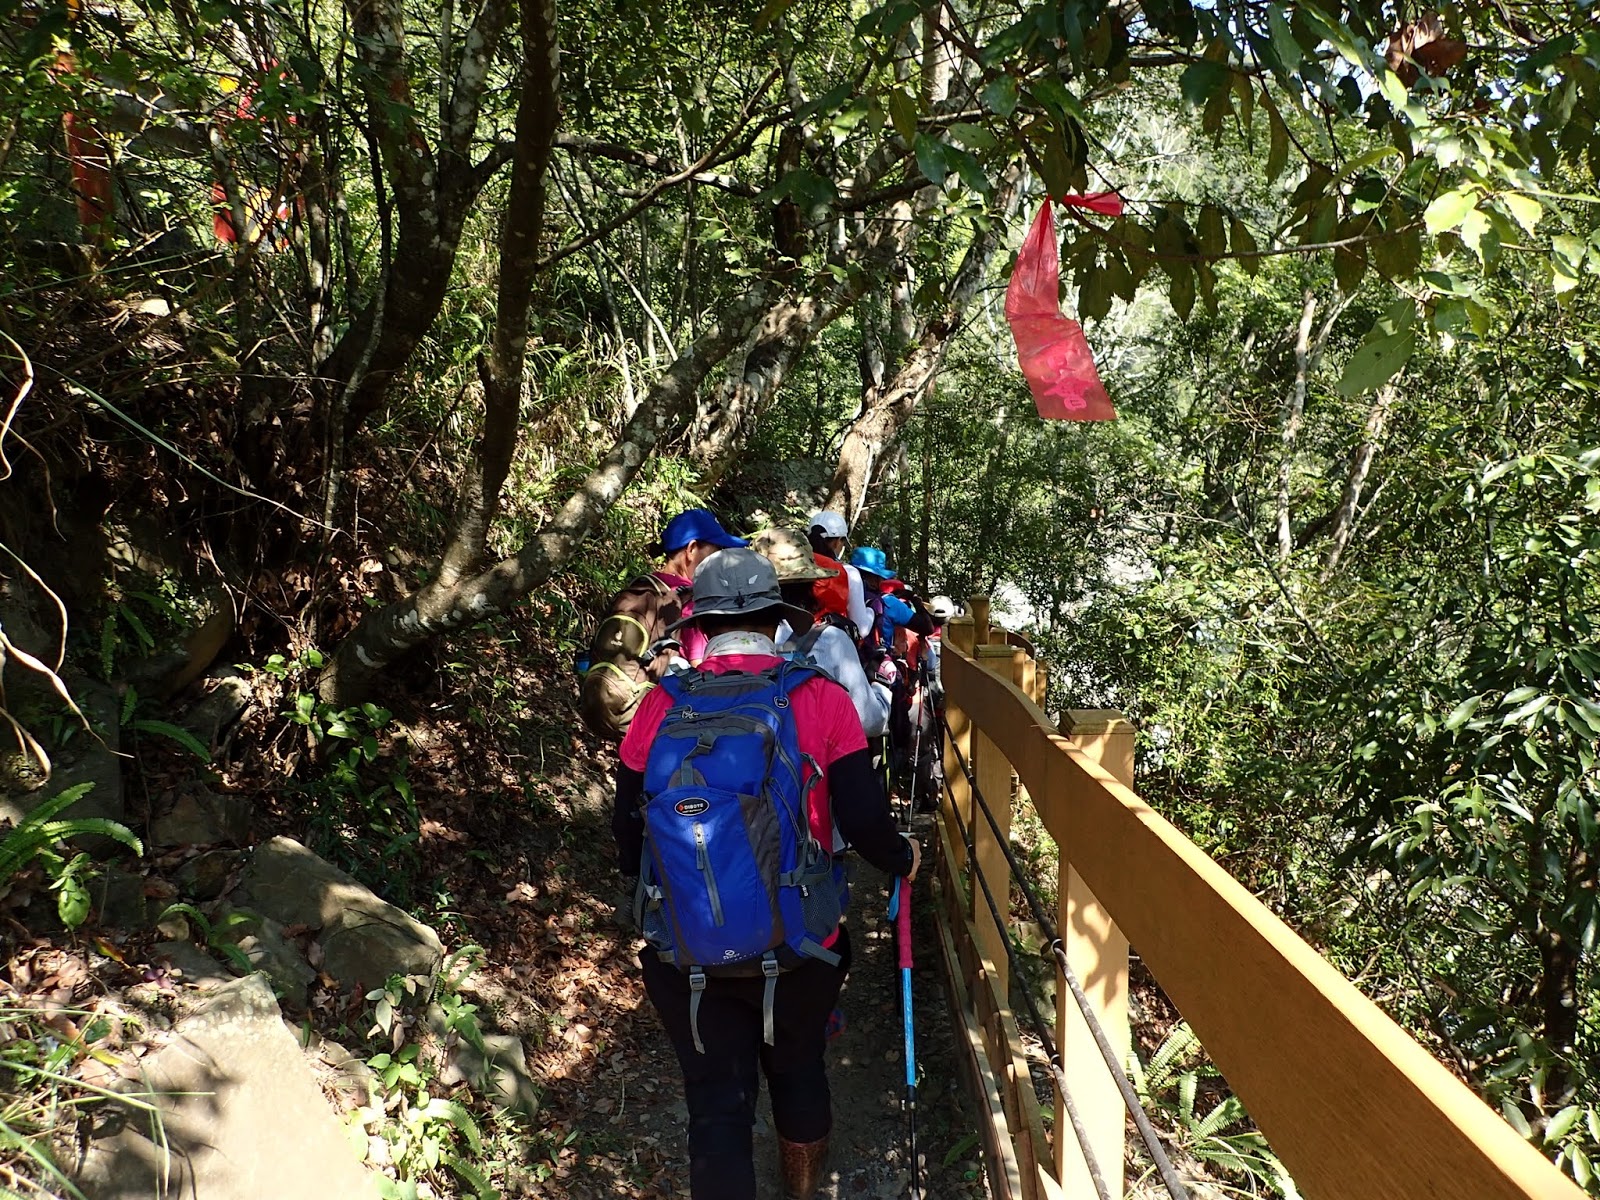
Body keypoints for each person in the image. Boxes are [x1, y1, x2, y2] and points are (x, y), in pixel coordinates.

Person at [613, 548, 920, 1200]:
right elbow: (864, 821)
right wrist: (904, 858)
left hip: (688, 942)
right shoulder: (819, 698)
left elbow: (627, 827)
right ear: (775, 616)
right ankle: (800, 1187)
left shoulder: (659, 704)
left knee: (715, 1106)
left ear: (701, 623)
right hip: (799, 941)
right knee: (798, 1068)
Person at [579, 507, 747, 742]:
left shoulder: (643, 587)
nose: (720, 561)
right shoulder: (688, 602)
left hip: (611, 702)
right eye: (716, 551)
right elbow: (702, 667)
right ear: (691, 550)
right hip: (652, 720)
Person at [752, 527, 890, 749]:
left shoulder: (733, 642)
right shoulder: (830, 640)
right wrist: (882, 689)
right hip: (806, 765)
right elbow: (869, 722)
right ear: (811, 582)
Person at [807, 511, 873, 641]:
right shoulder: (849, 573)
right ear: (837, 542)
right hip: (829, 643)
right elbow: (862, 629)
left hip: (786, 642)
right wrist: (871, 611)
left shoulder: (790, 566)